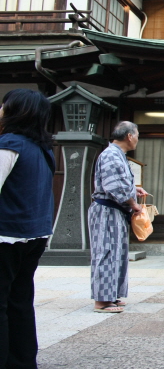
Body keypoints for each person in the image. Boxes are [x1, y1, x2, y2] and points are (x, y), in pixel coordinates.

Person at [0, 89, 55, 368]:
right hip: (35, 234)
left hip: (6, 235)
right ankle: (22, 361)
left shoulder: (9, 144)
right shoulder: (44, 151)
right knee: (20, 301)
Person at [90, 121, 148, 313]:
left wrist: (134, 189)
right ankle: (102, 300)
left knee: (117, 254)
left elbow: (120, 184)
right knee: (106, 252)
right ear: (129, 136)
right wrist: (134, 204)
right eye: (137, 135)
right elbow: (114, 187)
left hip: (114, 211)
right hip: (107, 210)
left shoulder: (117, 155)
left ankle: (111, 294)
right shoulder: (111, 155)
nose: (138, 139)